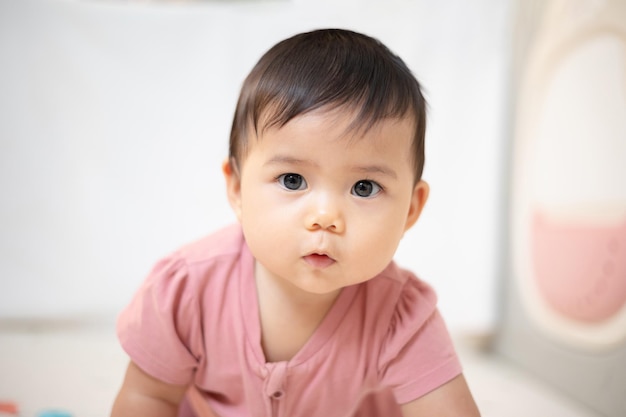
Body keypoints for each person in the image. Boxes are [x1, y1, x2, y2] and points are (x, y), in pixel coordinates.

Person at [111, 28, 481, 417]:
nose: (326, 217)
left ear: (410, 208)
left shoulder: (401, 316)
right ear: (237, 188)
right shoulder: (186, 292)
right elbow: (147, 399)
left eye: (364, 187)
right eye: (292, 180)